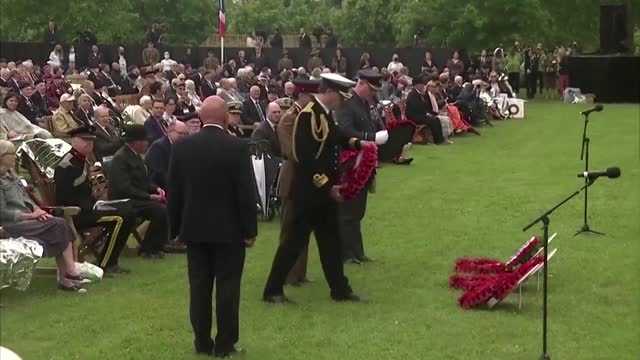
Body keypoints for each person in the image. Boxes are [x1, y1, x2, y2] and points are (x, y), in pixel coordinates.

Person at [263, 73, 372, 304]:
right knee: (293, 243)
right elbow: (305, 158)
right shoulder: (309, 115)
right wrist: (326, 186)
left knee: (331, 243)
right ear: (331, 93)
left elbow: (336, 137)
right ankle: (272, 290)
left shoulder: (324, 113)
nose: (344, 101)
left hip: (321, 194)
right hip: (309, 194)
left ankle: (339, 289)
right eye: (342, 96)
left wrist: (358, 143)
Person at [167, 96, 257, 357]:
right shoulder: (237, 147)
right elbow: (245, 192)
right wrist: (250, 230)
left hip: (194, 230)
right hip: (229, 232)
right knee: (228, 288)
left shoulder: (182, 147)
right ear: (226, 117)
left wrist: (175, 229)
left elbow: (175, 191)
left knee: (199, 288)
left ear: (202, 117)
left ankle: (202, 342)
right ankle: (225, 344)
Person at [0, 140, 87, 292]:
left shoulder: (12, 175)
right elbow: (3, 213)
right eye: (11, 154)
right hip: (13, 225)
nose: (15, 157)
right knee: (59, 225)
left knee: (58, 227)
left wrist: (39, 212)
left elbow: (28, 200)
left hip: (30, 221)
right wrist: (31, 216)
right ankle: (69, 273)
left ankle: (67, 278)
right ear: (1, 156)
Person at [54, 126, 136, 274]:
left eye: (91, 140)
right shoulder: (66, 165)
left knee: (130, 211)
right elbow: (63, 198)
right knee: (119, 219)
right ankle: (107, 263)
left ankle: (110, 258)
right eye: (84, 140)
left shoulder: (82, 160)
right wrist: (91, 206)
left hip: (89, 209)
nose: (89, 144)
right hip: (76, 215)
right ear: (73, 141)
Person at [336, 70, 389, 264]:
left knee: (358, 211)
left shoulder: (363, 103)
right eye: (372, 90)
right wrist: (371, 138)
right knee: (348, 212)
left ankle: (357, 251)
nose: (373, 94)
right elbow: (345, 130)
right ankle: (346, 253)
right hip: (351, 163)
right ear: (363, 84)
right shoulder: (347, 103)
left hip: (364, 162)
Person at [276, 79, 318, 285]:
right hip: (292, 181)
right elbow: (290, 151)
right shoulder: (289, 119)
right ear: (304, 96)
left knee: (303, 229)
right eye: (313, 97)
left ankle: (299, 273)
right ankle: (286, 273)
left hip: (305, 181)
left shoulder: (307, 117)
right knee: (289, 229)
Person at [108, 125, 169, 258]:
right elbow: (124, 187)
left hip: (137, 199)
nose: (147, 143)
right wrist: (149, 196)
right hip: (124, 201)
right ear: (136, 142)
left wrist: (156, 189)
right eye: (145, 141)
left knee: (164, 208)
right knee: (159, 210)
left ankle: (158, 245)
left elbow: (144, 181)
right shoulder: (121, 158)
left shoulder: (135, 156)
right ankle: (147, 249)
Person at [145, 121, 188, 189]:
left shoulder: (183, 147)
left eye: (185, 134)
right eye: (180, 133)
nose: (183, 136)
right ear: (169, 132)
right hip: (160, 187)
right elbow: (159, 173)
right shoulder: (158, 147)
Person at [405, 75, 445, 144]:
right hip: (415, 116)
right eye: (422, 84)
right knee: (433, 120)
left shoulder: (419, 94)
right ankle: (438, 140)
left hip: (420, 115)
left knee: (436, 119)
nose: (423, 86)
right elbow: (416, 107)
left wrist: (429, 113)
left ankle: (440, 138)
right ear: (417, 85)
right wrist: (426, 113)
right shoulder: (412, 94)